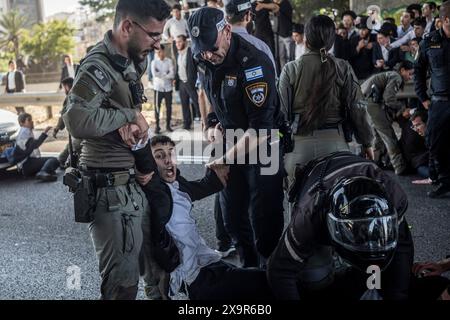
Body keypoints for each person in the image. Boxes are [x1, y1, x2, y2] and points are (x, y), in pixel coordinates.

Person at [63, 0, 171, 300]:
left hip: (135, 181)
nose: (158, 42)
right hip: (110, 191)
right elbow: (75, 118)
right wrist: (129, 116)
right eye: (153, 35)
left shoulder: (135, 58)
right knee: (122, 289)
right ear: (127, 27)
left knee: (160, 273)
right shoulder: (98, 65)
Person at [188, 7, 285, 268]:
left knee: (264, 220)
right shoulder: (203, 56)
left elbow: (261, 129)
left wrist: (224, 159)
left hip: (262, 145)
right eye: (201, 49)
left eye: (211, 46)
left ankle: (271, 275)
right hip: (230, 142)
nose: (207, 54)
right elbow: (210, 93)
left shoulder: (253, 62)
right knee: (232, 217)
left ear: (227, 31)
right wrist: (210, 124)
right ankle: (249, 270)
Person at [138, 135, 273, 300]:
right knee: (272, 281)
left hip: (210, 264)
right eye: (159, 156)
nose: (167, 160)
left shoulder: (178, 186)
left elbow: (208, 184)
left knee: (268, 278)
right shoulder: (156, 191)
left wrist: (218, 145)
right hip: (198, 279)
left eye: (171, 153)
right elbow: (141, 155)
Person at [267, 151, 414, 300]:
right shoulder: (308, 216)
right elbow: (279, 270)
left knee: (381, 267)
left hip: (350, 163)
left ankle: (360, 280)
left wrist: (397, 295)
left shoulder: (396, 199)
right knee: (315, 279)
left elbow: (402, 250)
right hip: (316, 172)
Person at [278, 15, 374, 189]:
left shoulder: (290, 69)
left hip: (298, 149)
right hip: (337, 148)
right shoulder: (343, 67)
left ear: (306, 39)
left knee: (300, 211)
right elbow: (357, 109)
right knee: (339, 206)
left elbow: (281, 114)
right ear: (331, 41)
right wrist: (367, 142)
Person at [414, 1, 450, 198]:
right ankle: (443, 181)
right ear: (445, 20)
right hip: (440, 101)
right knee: (435, 142)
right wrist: (423, 97)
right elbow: (418, 70)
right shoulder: (429, 41)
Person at [361, 61, 415, 175]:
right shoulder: (396, 76)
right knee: (389, 135)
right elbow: (389, 98)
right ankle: (400, 167)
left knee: (378, 136)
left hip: (365, 104)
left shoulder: (389, 74)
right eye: (409, 74)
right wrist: (402, 108)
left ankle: (378, 162)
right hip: (372, 104)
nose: (410, 77)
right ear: (402, 70)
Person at [225, 0, 277, 72]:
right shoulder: (262, 47)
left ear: (227, 18)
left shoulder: (214, 48)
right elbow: (273, 77)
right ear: (248, 16)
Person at [14, 113, 59, 182]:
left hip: (24, 165)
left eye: (31, 120)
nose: (32, 122)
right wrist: (45, 132)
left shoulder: (24, 131)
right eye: (29, 120)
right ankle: (43, 172)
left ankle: (43, 172)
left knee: (51, 164)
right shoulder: (25, 131)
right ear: (21, 123)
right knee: (53, 160)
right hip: (26, 164)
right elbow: (35, 145)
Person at [53, 77, 82, 168]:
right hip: (82, 126)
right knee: (74, 144)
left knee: (75, 144)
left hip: (77, 127)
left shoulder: (71, 96)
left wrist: (57, 128)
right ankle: (62, 160)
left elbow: (63, 114)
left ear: (66, 86)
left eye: (63, 87)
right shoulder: (80, 93)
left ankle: (61, 160)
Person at [175, 35, 201, 129]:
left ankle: (200, 124)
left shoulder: (190, 51)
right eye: (176, 42)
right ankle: (187, 124)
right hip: (182, 82)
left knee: (196, 103)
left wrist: (195, 81)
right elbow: (178, 68)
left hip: (191, 82)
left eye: (179, 42)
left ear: (185, 42)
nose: (177, 44)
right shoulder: (178, 53)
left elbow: (196, 66)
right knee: (184, 104)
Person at [151, 44, 175, 133]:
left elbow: (172, 74)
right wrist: (166, 73)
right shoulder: (154, 62)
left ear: (164, 51)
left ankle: (168, 125)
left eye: (160, 51)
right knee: (157, 107)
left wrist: (161, 74)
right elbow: (155, 75)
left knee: (169, 107)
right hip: (158, 88)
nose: (159, 53)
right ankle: (157, 127)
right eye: (157, 52)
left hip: (168, 88)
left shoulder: (169, 61)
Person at [349, 16, 375, 81]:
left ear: (369, 30)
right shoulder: (353, 39)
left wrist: (375, 45)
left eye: (363, 29)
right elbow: (349, 57)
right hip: (357, 74)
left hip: (372, 74)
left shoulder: (375, 38)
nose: (361, 32)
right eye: (359, 29)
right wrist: (358, 47)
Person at [273, 0, 293, 70]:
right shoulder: (277, 5)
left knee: (289, 56)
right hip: (279, 34)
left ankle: (290, 71)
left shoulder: (285, 3)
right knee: (281, 56)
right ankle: (283, 72)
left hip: (287, 34)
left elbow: (276, 8)